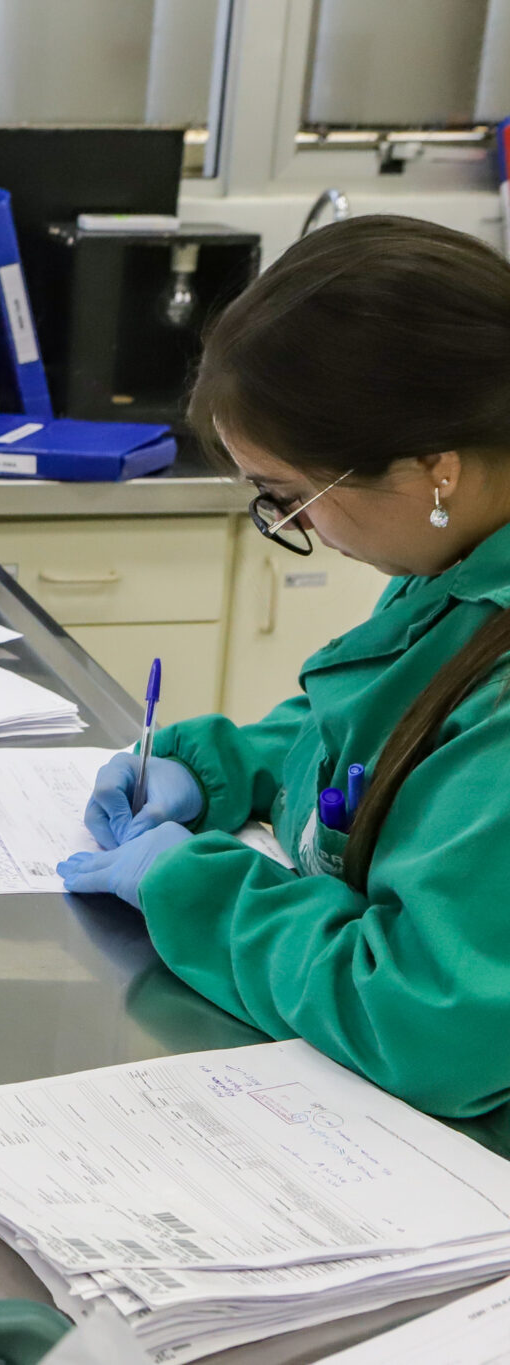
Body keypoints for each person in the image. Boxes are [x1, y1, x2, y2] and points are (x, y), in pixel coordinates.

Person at [57, 215, 510, 1130]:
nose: (291, 531)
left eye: (288, 498)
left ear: (436, 472)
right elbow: (386, 736)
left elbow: (427, 1018)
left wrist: (198, 889)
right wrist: (223, 765)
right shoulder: (456, 574)